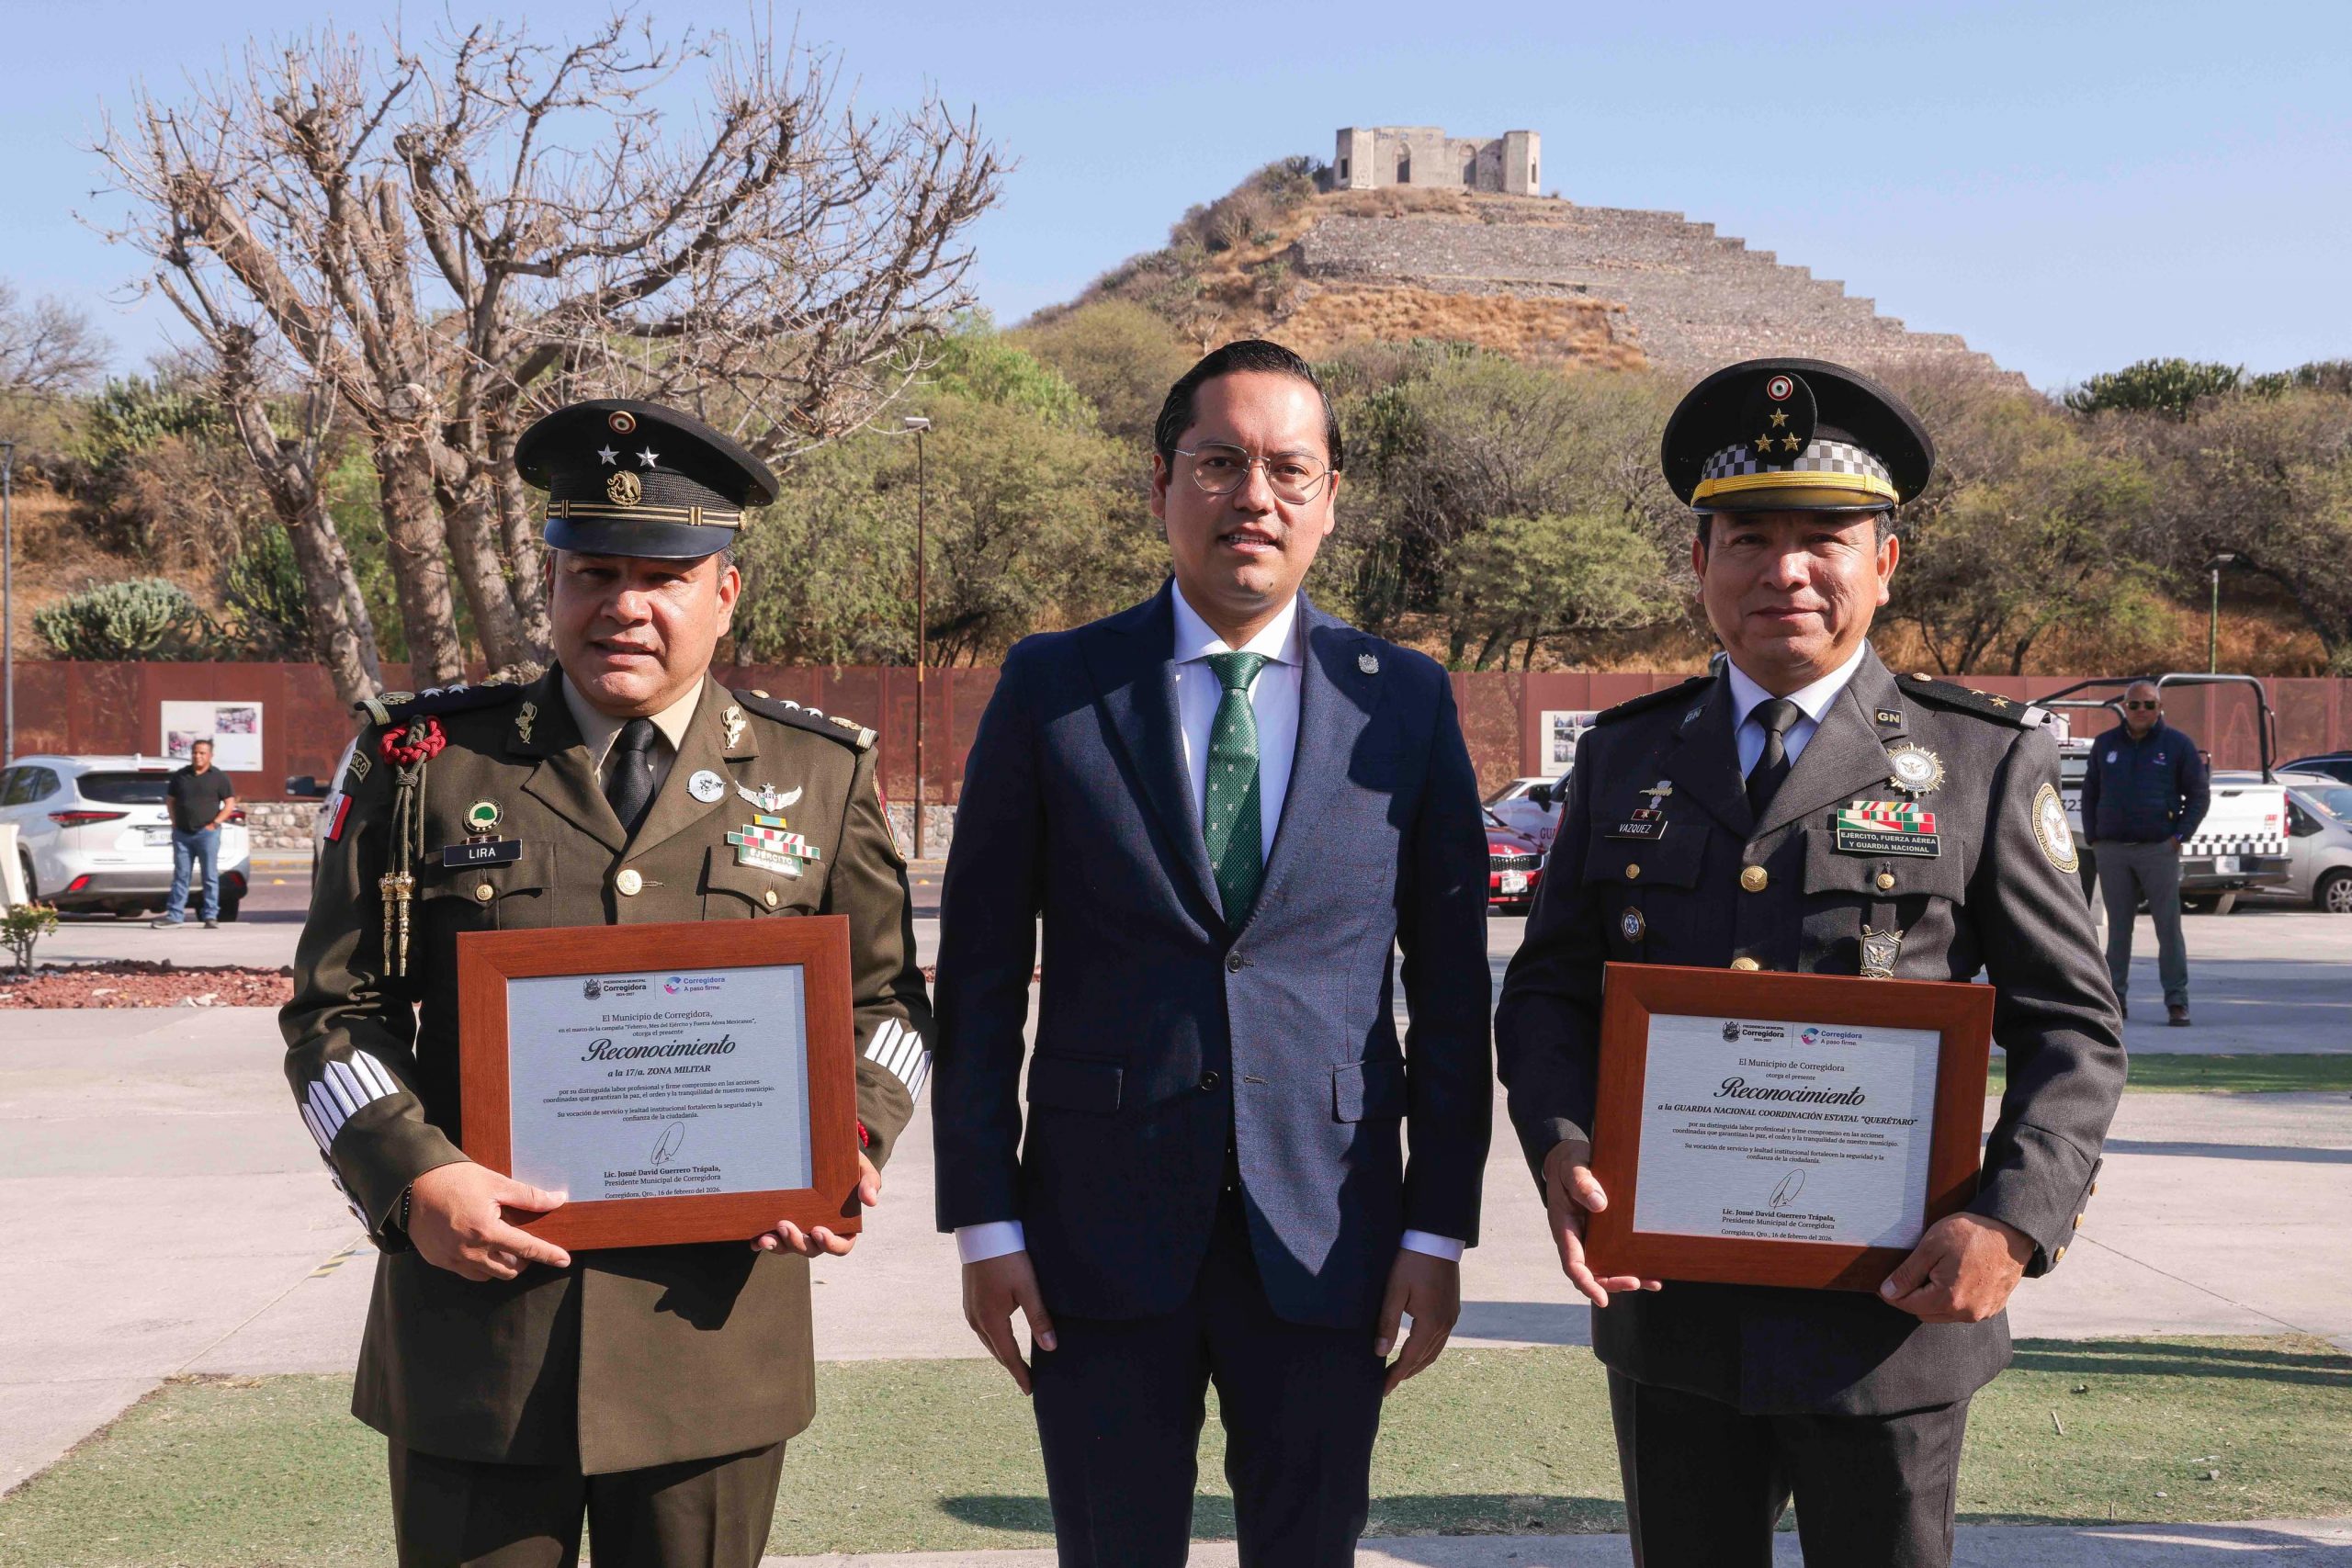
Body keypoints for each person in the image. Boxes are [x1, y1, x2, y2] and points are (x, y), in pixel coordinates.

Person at [1495, 358, 2126, 1567]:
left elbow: (2073, 1029)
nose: (1785, 568)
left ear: (1884, 561)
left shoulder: (1983, 765)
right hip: (1673, 1316)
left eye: (1824, 536)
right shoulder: (1630, 758)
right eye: (1748, 536)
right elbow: (1550, 986)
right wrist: (1563, 1139)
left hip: (1890, 1324)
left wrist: (2014, 1217)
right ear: (1700, 564)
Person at [279, 400, 933, 1568]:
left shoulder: (816, 774)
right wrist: (413, 1179)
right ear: (550, 583)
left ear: (724, 592)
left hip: (712, 1340)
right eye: (592, 572)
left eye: (662, 575)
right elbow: (335, 1014)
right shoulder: (427, 764)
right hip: (479, 1337)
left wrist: (848, 1137)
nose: (623, 606)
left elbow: (889, 1008)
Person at [932, 340, 1492, 1568]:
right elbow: (975, 979)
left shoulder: (1404, 697)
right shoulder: (1052, 686)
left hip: (1330, 1231)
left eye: (1291, 469)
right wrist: (983, 1220)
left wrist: (1438, 1229)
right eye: (1221, 462)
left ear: (1332, 497)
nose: (1255, 497)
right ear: (1160, 483)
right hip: (1094, 1231)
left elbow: (1453, 996)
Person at [2080, 680, 2209, 1025]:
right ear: (2124, 706)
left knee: (2168, 928)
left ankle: (2177, 1002)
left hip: (2158, 849)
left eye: (2148, 705)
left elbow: (2198, 795)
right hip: (2113, 850)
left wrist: (2179, 836)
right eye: (2134, 705)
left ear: (2160, 708)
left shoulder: (2177, 745)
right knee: (2118, 930)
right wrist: (2094, 837)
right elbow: (2090, 791)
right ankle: (2114, 1001)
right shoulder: (2106, 744)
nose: (2140, 711)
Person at [153, 737, 236, 928]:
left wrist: (215, 823)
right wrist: (174, 822)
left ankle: (210, 916)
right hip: (182, 834)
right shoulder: (181, 776)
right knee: (181, 875)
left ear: (210, 756)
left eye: (202, 753)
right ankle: (175, 915)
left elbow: (230, 803)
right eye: (195, 752)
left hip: (207, 834)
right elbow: (170, 800)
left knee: (209, 875)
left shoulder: (219, 777)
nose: (198, 756)